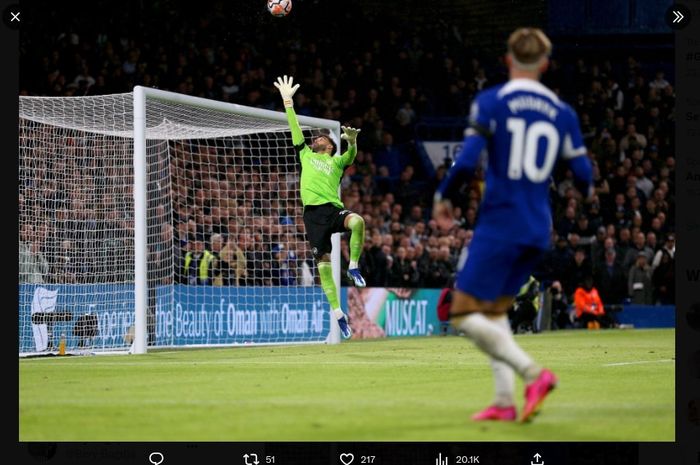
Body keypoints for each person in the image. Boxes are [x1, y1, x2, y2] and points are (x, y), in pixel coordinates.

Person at [432, 28, 593, 422]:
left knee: (463, 313)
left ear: (507, 60)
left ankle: (533, 374)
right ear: (545, 64)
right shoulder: (562, 112)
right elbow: (584, 174)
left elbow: (467, 162)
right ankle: (504, 402)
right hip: (539, 226)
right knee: (495, 310)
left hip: (500, 221)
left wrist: (443, 198)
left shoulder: (491, 101)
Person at [274, 75, 366, 339]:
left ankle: (354, 266)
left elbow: (351, 155)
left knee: (358, 221)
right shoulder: (305, 154)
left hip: (332, 209)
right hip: (312, 216)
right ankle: (339, 315)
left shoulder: (336, 162)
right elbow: (294, 128)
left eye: (322, 138)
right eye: (316, 138)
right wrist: (288, 102)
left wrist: (352, 141)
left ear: (330, 145)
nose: (316, 139)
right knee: (322, 264)